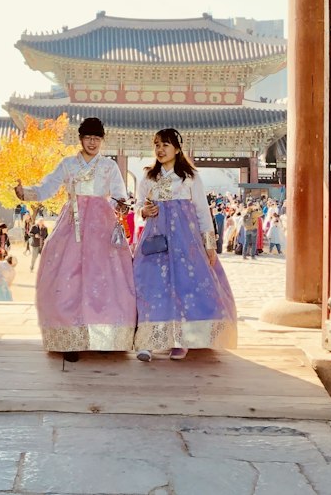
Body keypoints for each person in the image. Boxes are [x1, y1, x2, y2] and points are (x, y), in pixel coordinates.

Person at [15, 117, 135, 361]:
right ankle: (70, 339)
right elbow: (47, 188)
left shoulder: (109, 167)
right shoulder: (68, 164)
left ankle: (104, 337)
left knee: (104, 278)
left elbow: (120, 196)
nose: (92, 142)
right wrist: (24, 192)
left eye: (97, 138)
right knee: (68, 277)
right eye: (88, 138)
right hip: (73, 223)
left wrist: (115, 205)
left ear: (102, 140)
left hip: (101, 225)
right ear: (80, 139)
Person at [133, 128, 237, 361]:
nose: (160, 149)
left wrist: (209, 244)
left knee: (184, 287)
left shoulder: (190, 178)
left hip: (185, 242)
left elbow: (202, 211)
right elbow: (138, 206)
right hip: (155, 240)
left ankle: (182, 339)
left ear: (177, 149)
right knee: (151, 286)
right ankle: (148, 340)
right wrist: (144, 210)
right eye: (157, 145)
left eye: (165, 145)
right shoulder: (149, 177)